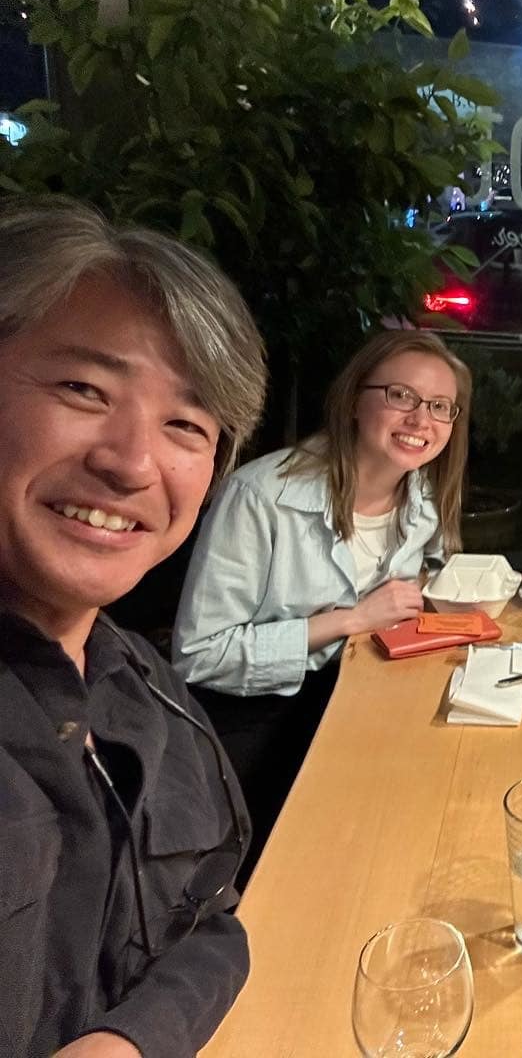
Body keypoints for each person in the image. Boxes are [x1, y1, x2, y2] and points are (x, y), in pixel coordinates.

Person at [0, 195, 266, 1055]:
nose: (131, 461)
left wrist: (130, 1038)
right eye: (84, 388)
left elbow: (208, 926)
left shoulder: (133, 682)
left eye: (184, 424)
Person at [172, 330, 471, 874]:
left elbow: (417, 585)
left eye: (439, 407)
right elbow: (198, 654)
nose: (420, 420)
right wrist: (351, 619)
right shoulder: (261, 495)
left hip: (362, 704)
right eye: (401, 396)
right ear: (355, 398)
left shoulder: (422, 493)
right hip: (263, 723)